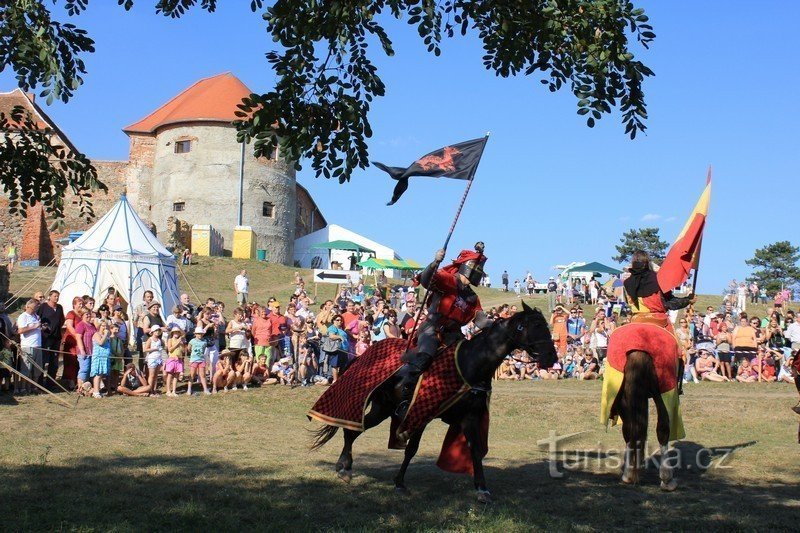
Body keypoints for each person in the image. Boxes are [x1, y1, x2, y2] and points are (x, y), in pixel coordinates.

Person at [396, 242, 492, 418]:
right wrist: (434, 262)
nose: (480, 274)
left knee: (469, 360)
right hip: (432, 328)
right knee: (426, 356)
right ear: (468, 268)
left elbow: (481, 319)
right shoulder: (448, 280)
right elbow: (426, 280)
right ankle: (405, 398)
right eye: (478, 269)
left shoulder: (472, 297)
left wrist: (501, 326)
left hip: (454, 335)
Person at [622, 249, 694, 392]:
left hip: (636, 321)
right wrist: (688, 300)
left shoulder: (626, 283)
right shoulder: (658, 279)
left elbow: (628, 304)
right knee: (679, 352)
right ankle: (676, 386)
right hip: (658, 320)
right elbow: (670, 303)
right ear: (647, 263)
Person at [35, 290, 64, 389]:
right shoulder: (43, 307)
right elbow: (37, 317)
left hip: (56, 337)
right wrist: (43, 327)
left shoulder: (59, 307)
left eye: (58, 296)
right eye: (55, 296)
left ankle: (50, 382)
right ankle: (39, 382)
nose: (56, 298)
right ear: (50, 296)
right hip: (45, 337)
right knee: (43, 360)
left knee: (54, 361)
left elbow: (62, 319)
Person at [16, 299, 43, 395]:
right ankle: (23, 388)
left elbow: (38, 327)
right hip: (27, 346)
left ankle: (33, 387)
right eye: (34, 307)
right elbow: (20, 330)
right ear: (28, 306)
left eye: (36, 308)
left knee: (37, 369)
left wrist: (41, 327)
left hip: (38, 345)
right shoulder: (23, 317)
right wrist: (34, 326)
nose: (35, 309)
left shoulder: (36, 316)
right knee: (26, 369)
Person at [90, 321, 111, 398]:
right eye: (103, 326)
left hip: (105, 357)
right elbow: (100, 343)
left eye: (106, 326)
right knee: (98, 374)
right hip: (98, 356)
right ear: (99, 326)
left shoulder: (106, 336)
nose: (105, 328)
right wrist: (105, 334)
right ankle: (95, 392)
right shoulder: (96, 334)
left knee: (101, 374)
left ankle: (98, 390)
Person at [187, 326, 210, 395]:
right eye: (198, 333)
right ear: (195, 334)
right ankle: (189, 389)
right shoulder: (192, 341)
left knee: (202, 375)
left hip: (201, 360)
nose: (200, 335)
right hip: (194, 360)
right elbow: (189, 348)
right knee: (192, 375)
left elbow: (204, 350)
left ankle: (205, 389)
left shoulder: (204, 342)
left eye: (201, 333)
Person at [143, 325, 164, 395]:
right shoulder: (150, 339)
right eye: (156, 330)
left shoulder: (160, 340)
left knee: (156, 375)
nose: (157, 332)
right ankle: (150, 390)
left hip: (159, 358)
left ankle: (154, 389)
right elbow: (145, 349)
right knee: (151, 375)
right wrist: (155, 349)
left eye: (158, 330)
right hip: (152, 358)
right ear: (152, 332)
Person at [164, 327, 185, 397]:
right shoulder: (170, 340)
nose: (176, 333)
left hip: (179, 360)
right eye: (175, 332)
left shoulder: (181, 341)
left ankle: (174, 391)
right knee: (169, 375)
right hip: (172, 359)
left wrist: (181, 344)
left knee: (176, 376)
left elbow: (183, 351)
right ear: (172, 333)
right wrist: (177, 343)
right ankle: (168, 391)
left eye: (178, 332)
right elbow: (170, 349)